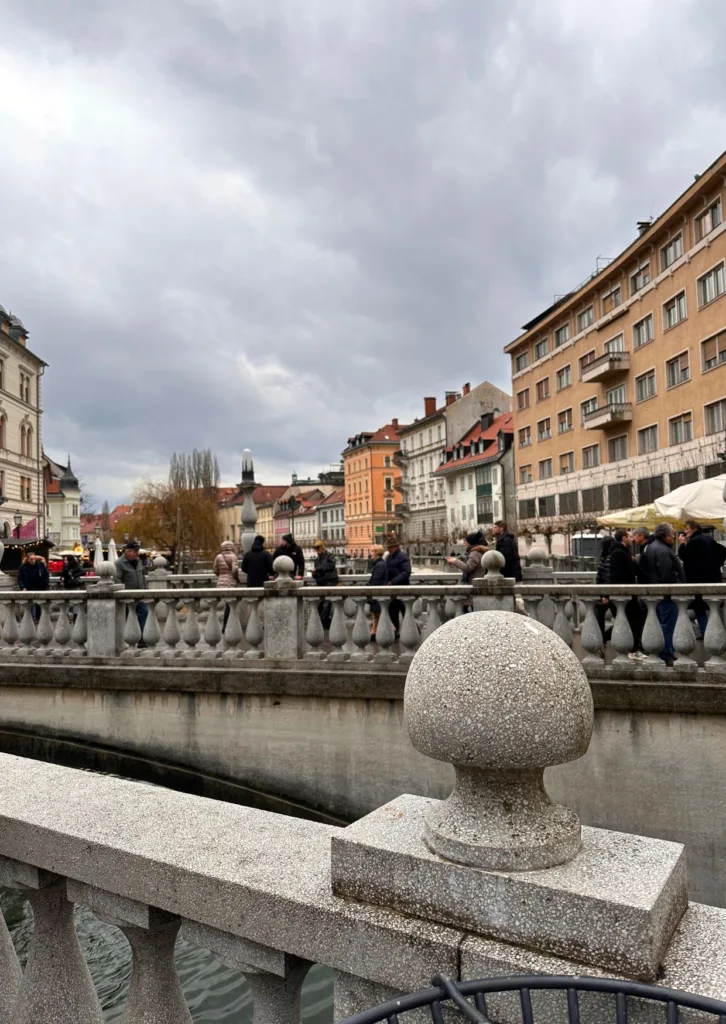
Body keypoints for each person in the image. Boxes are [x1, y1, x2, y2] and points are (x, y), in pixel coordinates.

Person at [641, 523, 685, 665]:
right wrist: (678, 583)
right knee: (667, 625)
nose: (674, 536)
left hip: (656, 592)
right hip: (666, 594)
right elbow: (667, 574)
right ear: (665, 535)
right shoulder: (662, 550)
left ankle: (663, 652)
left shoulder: (652, 547)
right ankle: (666, 653)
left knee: (661, 623)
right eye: (672, 533)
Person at [681, 520, 726, 637]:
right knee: (713, 606)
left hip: (697, 579)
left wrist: (682, 544)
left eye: (687, 529)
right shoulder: (708, 540)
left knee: (699, 607)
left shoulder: (692, 542)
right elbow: (722, 551)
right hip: (713, 577)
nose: (685, 532)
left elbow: (684, 556)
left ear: (694, 529)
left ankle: (704, 631)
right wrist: (716, 564)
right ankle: (718, 630)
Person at [608, 529, 647, 660]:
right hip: (625, 595)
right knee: (631, 621)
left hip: (629, 594)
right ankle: (633, 649)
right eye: (630, 537)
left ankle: (634, 649)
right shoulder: (619, 553)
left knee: (633, 621)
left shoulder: (624, 552)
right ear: (623, 538)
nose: (632, 539)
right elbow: (620, 575)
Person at [115, 541, 149, 647]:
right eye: (135, 551)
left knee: (144, 612)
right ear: (128, 551)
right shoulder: (119, 563)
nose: (136, 554)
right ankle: (128, 639)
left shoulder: (138, 561)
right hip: (127, 597)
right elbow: (117, 579)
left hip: (139, 595)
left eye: (137, 551)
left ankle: (142, 638)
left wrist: (146, 590)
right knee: (127, 618)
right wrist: (122, 594)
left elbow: (142, 577)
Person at [311, 539, 339, 631]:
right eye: (316, 549)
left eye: (319, 548)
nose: (317, 550)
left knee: (326, 604)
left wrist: (318, 569)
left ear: (322, 548)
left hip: (330, 581)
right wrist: (314, 574)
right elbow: (317, 572)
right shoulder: (317, 560)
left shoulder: (329, 556)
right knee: (320, 605)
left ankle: (323, 622)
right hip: (321, 583)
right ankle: (325, 623)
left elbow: (331, 566)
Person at [213, 540, 240, 633]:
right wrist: (235, 577)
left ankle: (225, 625)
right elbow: (234, 570)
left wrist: (221, 576)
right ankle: (227, 625)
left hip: (221, 583)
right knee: (230, 605)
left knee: (225, 605)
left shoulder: (218, 556)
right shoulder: (233, 557)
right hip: (231, 583)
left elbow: (215, 570)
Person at [385, 537, 411, 634]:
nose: (388, 549)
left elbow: (406, 572)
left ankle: (412, 631)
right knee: (393, 612)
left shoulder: (403, 556)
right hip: (393, 590)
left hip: (403, 589)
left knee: (406, 612)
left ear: (396, 547)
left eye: (390, 547)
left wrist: (394, 581)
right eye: (388, 547)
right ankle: (396, 631)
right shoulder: (388, 557)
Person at [594, 535, 616, 644]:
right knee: (622, 620)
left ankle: (600, 640)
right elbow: (608, 577)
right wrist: (606, 596)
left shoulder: (603, 557)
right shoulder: (610, 558)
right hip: (608, 594)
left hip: (602, 593)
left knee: (599, 618)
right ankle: (603, 638)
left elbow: (600, 577)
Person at [17, 551, 49, 624]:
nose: (33, 560)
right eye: (31, 559)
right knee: (29, 606)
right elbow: (19, 578)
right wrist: (23, 587)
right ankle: (31, 619)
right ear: (27, 559)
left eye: (34, 559)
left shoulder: (40, 565)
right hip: (28, 588)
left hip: (39, 588)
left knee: (38, 605)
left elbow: (46, 575)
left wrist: (44, 585)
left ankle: (37, 619)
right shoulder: (23, 567)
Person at [367, 545, 388, 640]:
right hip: (378, 594)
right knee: (377, 615)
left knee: (379, 614)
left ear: (376, 553)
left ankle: (392, 630)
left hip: (377, 594)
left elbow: (376, 581)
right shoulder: (379, 564)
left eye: (371, 552)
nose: (370, 554)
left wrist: (369, 588)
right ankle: (373, 632)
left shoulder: (379, 565)